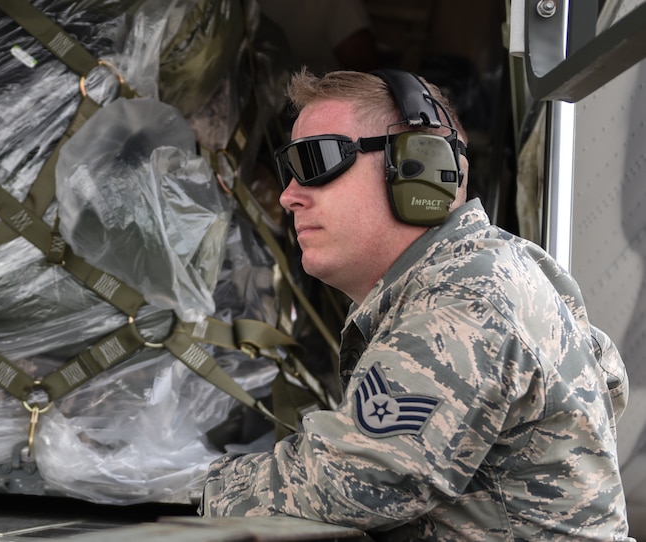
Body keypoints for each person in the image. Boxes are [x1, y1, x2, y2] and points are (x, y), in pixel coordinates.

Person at [200, 68, 634, 541]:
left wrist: (208, 489)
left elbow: (361, 480)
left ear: (417, 168)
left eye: (315, 160)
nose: (288, 196)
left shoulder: (471, 291)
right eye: (288, 171)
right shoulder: (468, 277)